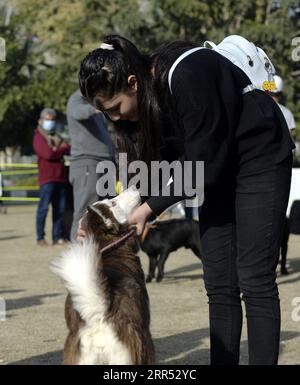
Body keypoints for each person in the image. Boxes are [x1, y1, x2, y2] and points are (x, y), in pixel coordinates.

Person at [77, 35, 295, 365]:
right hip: (217, 167)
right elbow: (157, 166)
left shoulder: (188, 72)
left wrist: (148, 210)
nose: (115, 118)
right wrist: (107, 213)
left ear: (133, 82)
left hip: (258, 157)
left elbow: (202, 162)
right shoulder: (148, 101)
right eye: (106, 113)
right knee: (219, 281)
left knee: (254, 278)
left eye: (115, 108)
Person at [66, 89, 115, 242]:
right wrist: (97, 107)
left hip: (105, 163)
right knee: (84, 213)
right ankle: (78, 259)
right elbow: (77, 112)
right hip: (87, 163)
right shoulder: (77, 98)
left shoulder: (97, 100)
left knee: (106, 212)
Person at [33, 108, 70, 246]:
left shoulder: (58, 136)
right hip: (47, 178)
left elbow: (68, 148)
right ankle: (40, 237)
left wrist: (58, 150)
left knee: (59, 209)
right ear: (40, 121)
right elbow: (48, 154)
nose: (51, 122)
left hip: (61, 177)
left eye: (53, 120)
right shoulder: (38, 136)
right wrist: (62, 150)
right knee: (43, 209)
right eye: (48, 119)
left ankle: (57, 236)